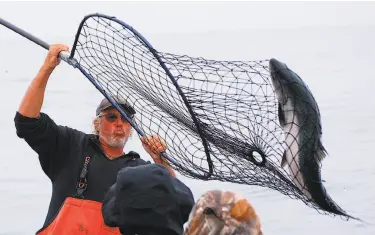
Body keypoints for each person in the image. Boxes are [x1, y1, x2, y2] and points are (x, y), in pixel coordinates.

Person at [14, 44, 194, 235]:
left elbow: (173, 202)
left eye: (125, 120)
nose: (119, 124)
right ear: (97, 123)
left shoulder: (140, 169)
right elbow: (26, 121)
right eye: (111, 117)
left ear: (131, 129)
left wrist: (160, 160)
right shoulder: (70, 145)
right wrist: (47, 67)